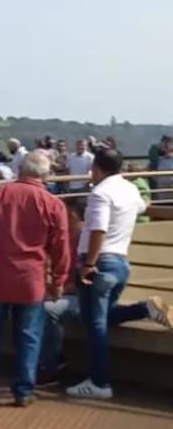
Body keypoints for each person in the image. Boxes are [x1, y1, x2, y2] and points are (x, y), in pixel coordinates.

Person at [0, 152, 69, 407]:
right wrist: (59, 280)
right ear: (45, 175)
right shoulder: (53, 204)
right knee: (29, 336)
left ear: (21, 170)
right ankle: (23, 391)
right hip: (31, 281)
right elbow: (61, 247)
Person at [67, 149, 146, 400]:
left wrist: (89, 264)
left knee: (95, 326)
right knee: (101, 317)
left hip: (100, 264)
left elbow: (98, 229)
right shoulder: (130, 190)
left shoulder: (100, 193)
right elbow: (142, 208)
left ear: (98, 169)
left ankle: (100, 382)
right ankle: (143, 309)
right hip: (121, 263)